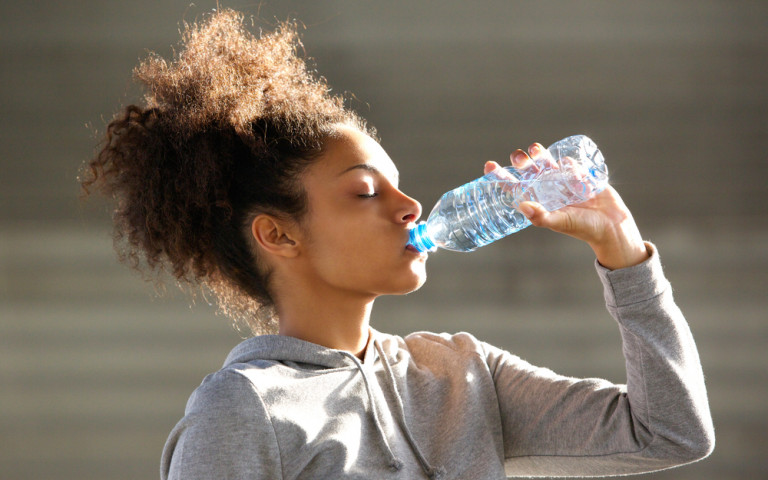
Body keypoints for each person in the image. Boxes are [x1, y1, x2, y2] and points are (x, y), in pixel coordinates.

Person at [80, 9, 714, 480]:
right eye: (364, 192)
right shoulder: (242, 407)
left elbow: (670, 433)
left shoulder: (462, 373)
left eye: (400, 186)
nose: (409, 207)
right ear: (278, 234)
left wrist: (623, 253)